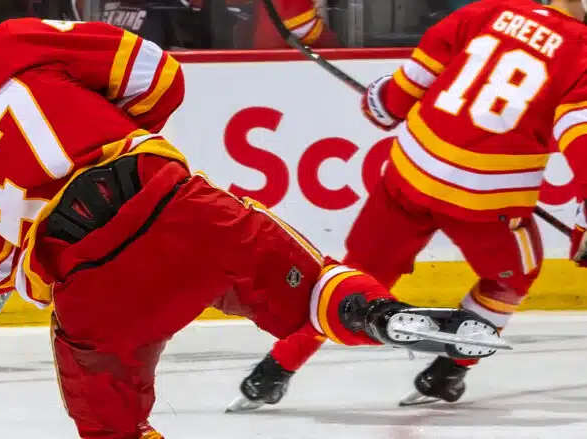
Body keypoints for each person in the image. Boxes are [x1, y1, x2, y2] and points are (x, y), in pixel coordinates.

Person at [0, 10, 506, 438]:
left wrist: (54, 277)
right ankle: (378, 315)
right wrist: (123, 134)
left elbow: (0, 275)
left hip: (88, 279)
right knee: (313, 287)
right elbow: (159, 76)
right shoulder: (16, 43)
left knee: (110, 427)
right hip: (172, 204)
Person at [235, 0, 587, 410]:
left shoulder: (488, 11)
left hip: (408, 175)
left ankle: (273, 371)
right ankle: (449, 371)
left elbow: (394, 99)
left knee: (351, 279)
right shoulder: (580, 54)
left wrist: (380, 102)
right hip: (487, 200)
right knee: (514, 276)